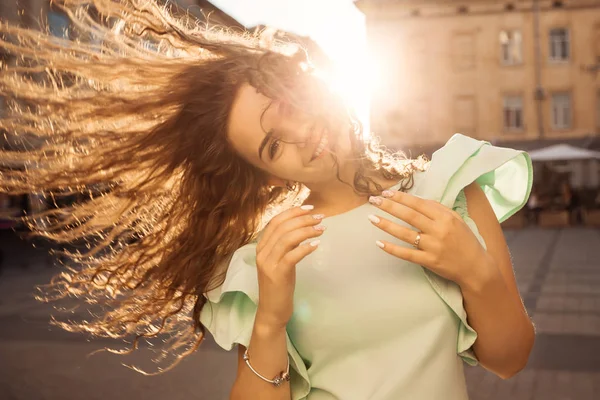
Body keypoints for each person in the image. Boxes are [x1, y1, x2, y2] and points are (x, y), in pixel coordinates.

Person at [0, 1, 535, 399]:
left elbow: (510, 359)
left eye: (293, 102)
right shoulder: (268, 254)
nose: (304, 134)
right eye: (273, 144)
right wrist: (271, 319)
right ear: (263, 172)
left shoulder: (449, 183)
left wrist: (474, 270)